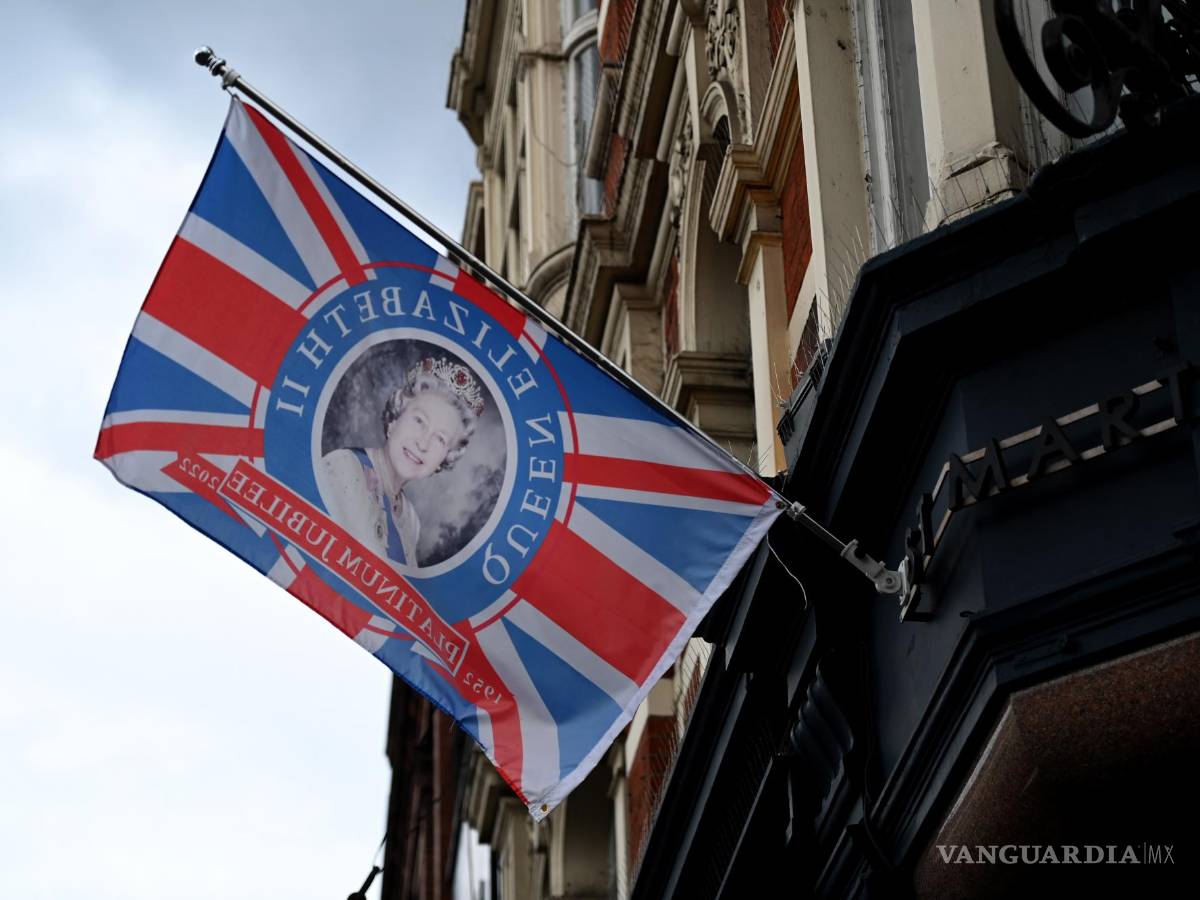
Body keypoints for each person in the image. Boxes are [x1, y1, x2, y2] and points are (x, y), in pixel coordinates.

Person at [321, 355, 484, 567]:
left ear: (444, 460)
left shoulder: (410, 519)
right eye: (419, 421)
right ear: (395, 419)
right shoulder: (344, 468)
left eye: (440, 439)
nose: (423, 443)